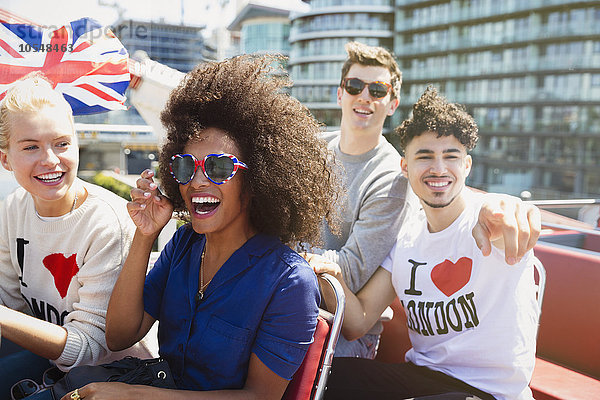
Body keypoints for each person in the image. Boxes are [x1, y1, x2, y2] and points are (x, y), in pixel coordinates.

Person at [61, 54, 341, 399]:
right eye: (184, 167)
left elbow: (259, 397)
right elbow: (120, 335)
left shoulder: (288, 282)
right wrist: (145, 235)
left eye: (219, 168)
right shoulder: (183, 244)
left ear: (256, 182)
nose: (196, 181)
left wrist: (137, 395)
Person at [312, 87, 540, 400]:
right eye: (425, 157)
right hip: (421, 377)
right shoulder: (406, 238)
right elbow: (359, 321)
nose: (438, 169)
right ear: (405, 168)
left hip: (490, 393)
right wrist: (333, 276)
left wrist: (517, 211)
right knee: (320, 378)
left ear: (467, 166)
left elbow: (513, 213)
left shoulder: (489, 221)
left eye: (451, 157)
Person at [0, 74, 156, 398]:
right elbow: (12, 311)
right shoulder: (12, 210)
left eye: (62, 143)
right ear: (5, 159)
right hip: (46, 365)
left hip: (111, 378)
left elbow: (88, 351)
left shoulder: (108, 223)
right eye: (31, 147)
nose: (50, 160)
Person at [305, 41, 409, 358]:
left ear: (392, 103)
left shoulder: (391, 179)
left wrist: (283, 251)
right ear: (340, 94)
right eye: (354, 85)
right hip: (293, 300)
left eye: (378, 90)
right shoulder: (313, 148)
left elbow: (347, 273)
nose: (364, 97)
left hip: (342, 333)